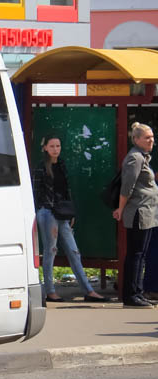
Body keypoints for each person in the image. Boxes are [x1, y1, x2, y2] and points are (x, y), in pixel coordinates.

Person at [32, 135, 105, 303]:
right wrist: (46, 209)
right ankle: (50, 291)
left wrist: (69, 212)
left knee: (74, 251)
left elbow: (66, 190)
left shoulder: (62, 164)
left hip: (62, 213)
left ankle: (88, 291)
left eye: (58, 146)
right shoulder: (41, 167)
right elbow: (36, 193)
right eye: (52, 146)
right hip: (48, 212)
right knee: (51, 251)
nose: (55, 149)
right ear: (45, 148)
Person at [112, 122, 158, 308]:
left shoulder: (143, 157)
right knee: (135, 254)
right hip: (138, 212)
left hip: (147, 212)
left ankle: (137, 292)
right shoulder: (135, 158)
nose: (151, 140)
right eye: (147, 137)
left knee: (141, 254)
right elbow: (127, 187)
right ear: (136, 139)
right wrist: (121, 209)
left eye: (152, 137)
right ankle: (130, 295)